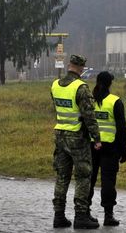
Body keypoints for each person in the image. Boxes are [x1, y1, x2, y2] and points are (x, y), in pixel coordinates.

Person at [51, 54, 102, 230]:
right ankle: (81, 216)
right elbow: (89, 115)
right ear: (81, 68)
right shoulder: (81, 87)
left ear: (68, 65)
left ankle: (59, 216)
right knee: (83, 176)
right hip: (77, 138)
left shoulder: (55, 85)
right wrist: (96, 138)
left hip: (60, 135)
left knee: (62, 177)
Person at [88, 71, 126, 226]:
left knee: (89, 180)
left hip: (91, 145)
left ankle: (85, 212)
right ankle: (108, 215)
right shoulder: (115, 101)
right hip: (110, 147)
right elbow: (121, 128)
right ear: (110, 83)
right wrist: (123, 149)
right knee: (108, 181)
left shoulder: (90, 100)